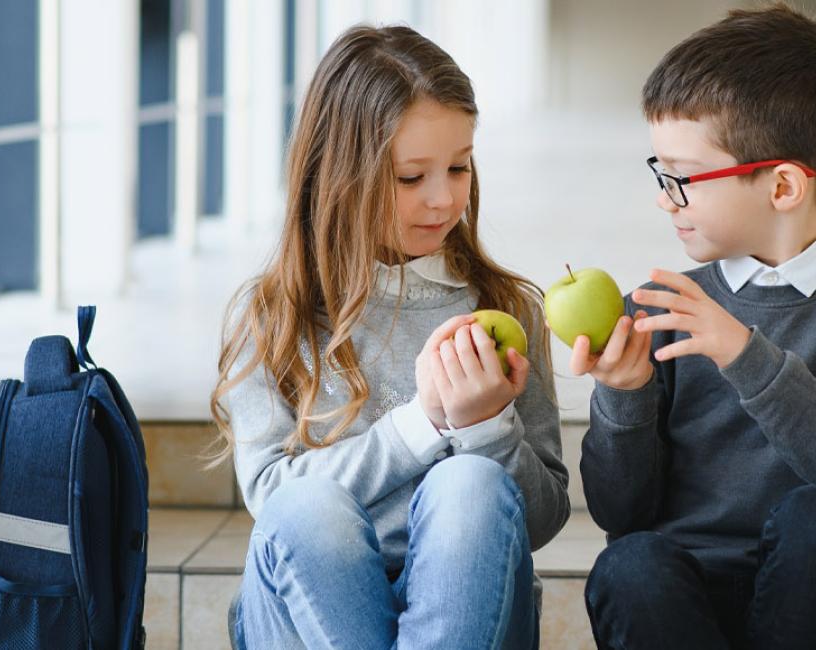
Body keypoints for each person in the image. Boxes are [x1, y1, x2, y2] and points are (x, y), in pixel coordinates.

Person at [209, 24, 569, 649]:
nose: (444, 198)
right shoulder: (272, 314)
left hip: (470, 615)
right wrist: (424, 424)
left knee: (473, 485)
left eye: (459, 167)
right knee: (306, 506)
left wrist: (485, 426)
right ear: (339, 174)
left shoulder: (507, 308)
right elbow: (271, 499)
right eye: (411, 178)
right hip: (307, 610)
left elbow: (538, 521)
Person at [574, 5, 816, 648]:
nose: (664, 197)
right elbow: (620, 514)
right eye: (662, 174)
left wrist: (747, 355)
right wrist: (623, 396)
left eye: (682, 178)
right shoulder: (657, 309)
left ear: (783, 186)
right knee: (629, 566)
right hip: (684, 595)